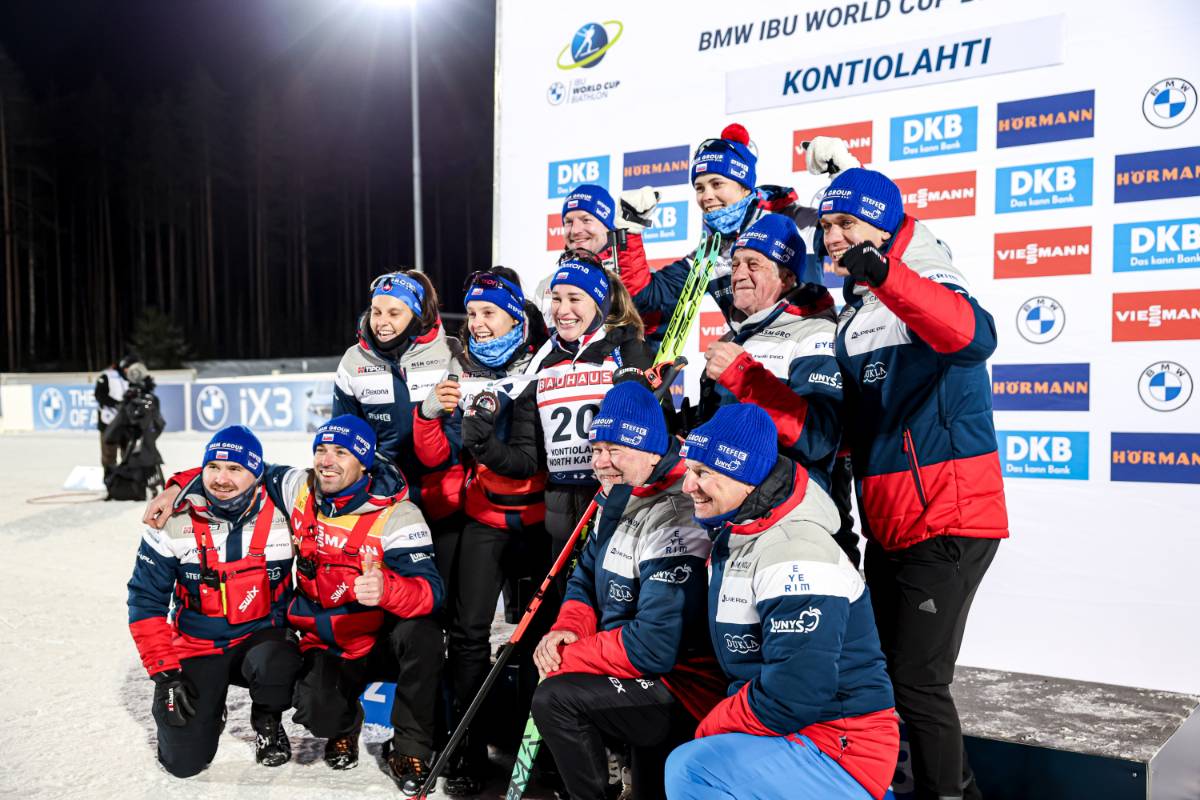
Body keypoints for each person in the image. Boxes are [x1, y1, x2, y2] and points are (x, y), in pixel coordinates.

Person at [819, 167, 1008, 800]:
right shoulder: (854, 313)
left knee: (919, 683)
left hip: (948, 516)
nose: (833, 237)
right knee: (885, 679)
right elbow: (849, 428)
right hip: (890, 524)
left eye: (846, 224)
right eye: (827, 226)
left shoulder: (924, 274)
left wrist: (887, 273)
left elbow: (974, 337)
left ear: (882, 226)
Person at [143, 415, 445, 795]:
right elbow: (242, 469)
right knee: (316, 711)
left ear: (364, 462)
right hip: (329, 640)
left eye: (341, 452)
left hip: (380, 636)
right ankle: (343, 727)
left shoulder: (398, 514)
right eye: (321, 450)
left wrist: (388, 589)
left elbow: (432, 591)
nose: (326, 461)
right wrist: (178, 486)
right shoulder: (298, 488)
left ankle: (409, 749)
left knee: (424, 634)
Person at [665, 405, 899, 800]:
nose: (688, 486)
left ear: (746, 477)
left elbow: (797, 690)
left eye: (703, 473)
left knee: (694, 770)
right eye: (689, 471)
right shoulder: (740, 532)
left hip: (841, 742)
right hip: (793, 727)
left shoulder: (795, 550)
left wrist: (713, 724)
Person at [530, 382, 723, 800]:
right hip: (631, 667)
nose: (600, 462)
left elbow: (654, 647)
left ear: (651, 450)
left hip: (682, 686)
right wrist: (569, 629)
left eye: (614, 450)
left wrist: (571, 656)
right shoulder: (618, 493)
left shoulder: (678, 512)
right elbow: (585, 576)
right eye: (596, 449)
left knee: (555, 698)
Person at [413, 266, 550, 795]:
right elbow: (439, 452)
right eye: (471, 313)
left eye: (489, 312)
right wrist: (429, 416)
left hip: (537, 524)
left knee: (535, 638)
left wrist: (484, 442)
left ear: (515, 317)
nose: (477, 323)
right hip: (483, 519)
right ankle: (466, 749)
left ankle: (537, 749)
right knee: (468, 635)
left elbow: (532, 457)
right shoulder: (462, 367)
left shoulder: (541, 362)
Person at [127, 425, 300, 777]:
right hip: (199, 644)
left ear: (257, 474)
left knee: (281, 665)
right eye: (213, 467)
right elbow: (146, 600)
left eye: (235, 469)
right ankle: (210, 707)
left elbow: (335, 479)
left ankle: (267, 719)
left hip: (263, 637)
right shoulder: (172, 520)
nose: (221, 479)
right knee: (182, 763)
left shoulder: (287, 511)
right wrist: (164, 673)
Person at [619, 124, 858, 347]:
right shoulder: (710, 254)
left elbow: (861, 235)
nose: (706, 196)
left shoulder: (795, 222)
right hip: (753, 362)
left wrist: (845, 174)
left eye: (716, 184)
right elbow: (645, 299)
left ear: (744, 187)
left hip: (808, 349)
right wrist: (630, 232)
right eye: (700, 188)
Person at [697, 212, 842, 497]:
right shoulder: (738, 334)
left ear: (786, 277)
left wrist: (742, 375)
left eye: (753, 265)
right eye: (735, 264)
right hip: (731, 502)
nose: (739, 275)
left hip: (786, 504)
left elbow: (817, 438)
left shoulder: (816, 332)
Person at [522, 250, 654, 562]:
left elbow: (644, 422)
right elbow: (529, 440)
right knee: (565, 590)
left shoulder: (625, 347)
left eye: (574, 299)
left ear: (598, 302)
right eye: (556, 299)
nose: (562, 310)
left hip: (611, 500)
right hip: (560, 509)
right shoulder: (543, 358)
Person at [333, 269, 460, 522]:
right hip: (385, 499)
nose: (381, 322)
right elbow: (344, 436)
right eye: (376, 312)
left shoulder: (450, 352)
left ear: (415, 315)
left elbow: (462, 432)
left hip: (446, 498)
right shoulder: (353, 361)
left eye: (394, 313)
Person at [536, 184, 656, 330]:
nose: (575, 230)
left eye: (586, 220)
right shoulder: (546, 286)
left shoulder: (642, 279)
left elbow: (649, 330)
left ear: (608, 226)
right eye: (569, 222)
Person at [95, 354, 134, 479]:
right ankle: (110, 481)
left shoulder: (132, 378)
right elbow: (99, 395)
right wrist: (117, 404)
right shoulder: (107, 376)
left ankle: (128, 481)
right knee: (109, 455)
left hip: (126, 423)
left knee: (128, 454)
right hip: (108, 422)